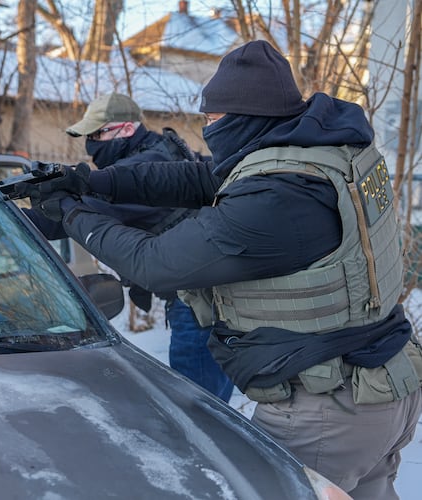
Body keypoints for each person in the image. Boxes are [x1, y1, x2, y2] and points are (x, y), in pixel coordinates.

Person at [24, 41, 422, 499]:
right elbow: (199, 177)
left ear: (244, 118)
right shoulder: (320, 152)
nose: (207, 129)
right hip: (381, 388)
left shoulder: (276, 200)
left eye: (212, 119)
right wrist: (95, 182)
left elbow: (155, 263)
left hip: (327, 409)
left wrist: (71, 214)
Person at [23, 92, 234, 403]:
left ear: (126, 129)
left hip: (199, 303)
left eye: (98, 133)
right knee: (208, 405)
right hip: (203, 296)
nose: (91, 143)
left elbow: (73, 215)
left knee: (198, 408)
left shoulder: (149, 164)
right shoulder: (158, 153)